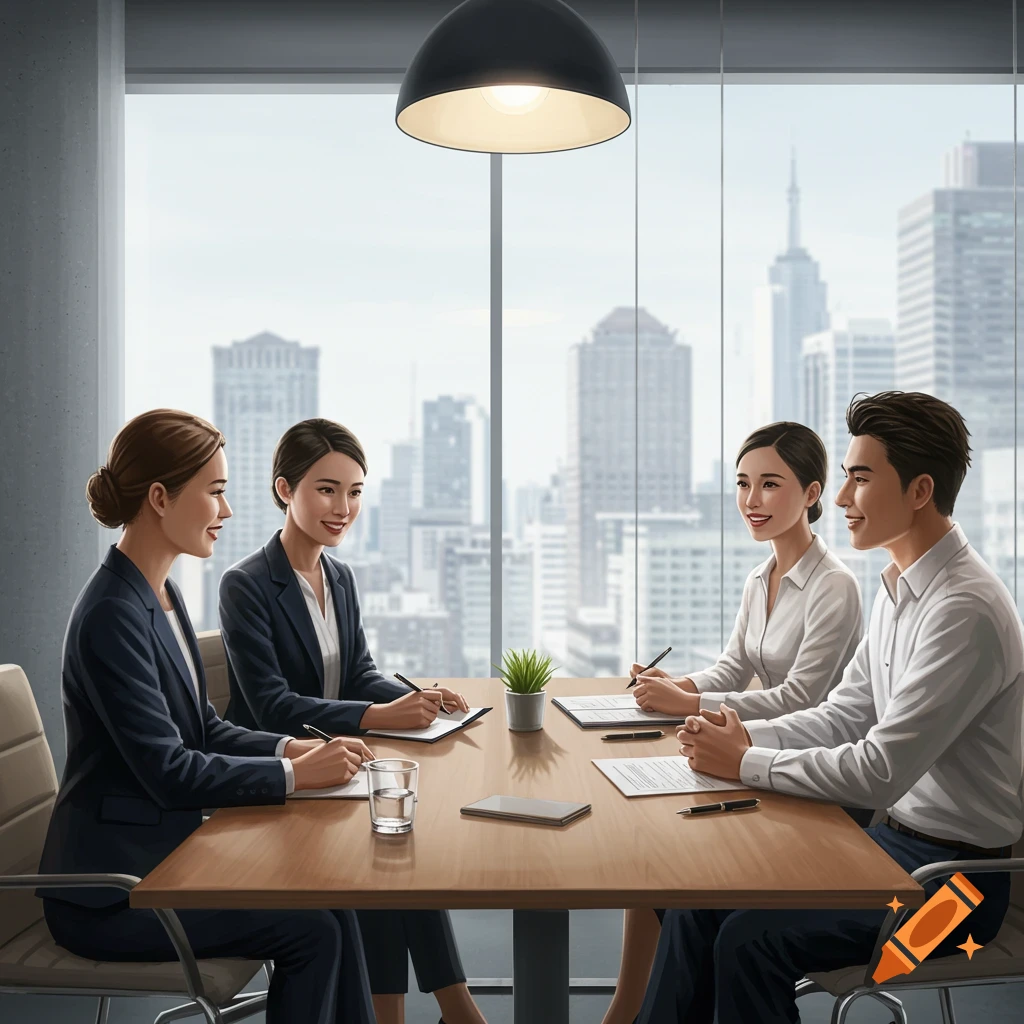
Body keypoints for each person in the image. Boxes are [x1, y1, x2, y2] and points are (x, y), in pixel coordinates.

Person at [639, 391, 1023, 1024]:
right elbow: (845, 713)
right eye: (845, 477)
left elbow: (878, 771)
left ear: (920, 490)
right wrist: (738, 737)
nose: (841, 499)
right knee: (696, 901)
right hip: (885, 850)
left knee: (751, 940)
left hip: (957, 896)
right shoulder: (900, 589)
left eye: (860, 478)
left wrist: (747, 761)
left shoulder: (964, 609)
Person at [37, 409, 378, 1024]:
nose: (226, 512)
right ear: (161, 498)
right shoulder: (113, 614)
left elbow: (202, 728)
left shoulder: (159, 594)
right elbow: (170, 770)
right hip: (115, 893)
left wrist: (289, 751)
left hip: (165, 859)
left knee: (336, 904)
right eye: (215, 492)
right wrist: (299, 779)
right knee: (315, 932)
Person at [218, 417, 485, 1024]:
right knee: (384, 848)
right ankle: (441, 1011)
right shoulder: (246, 585)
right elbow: (272, 705)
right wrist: (377, 714)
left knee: (400, 841)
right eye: (327, 489)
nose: (343, 507)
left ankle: (436, 1008)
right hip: (279, 773)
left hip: (341, 765)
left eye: (355, 492)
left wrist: (415, 696)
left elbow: (358, 670)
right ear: (285, 489)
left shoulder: (339, 576)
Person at [601, 421, 863, 1024]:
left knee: (683, 869)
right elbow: (734, 666)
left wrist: (690, 707)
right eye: (743, 484)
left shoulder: (836, 587)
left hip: (810, 780)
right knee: (663, 864)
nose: (751, 500)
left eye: (770, 484)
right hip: (758, 757)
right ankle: (648, 1008)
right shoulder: (760, 577)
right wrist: (677, 686)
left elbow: (804, 697)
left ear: (813, 493)